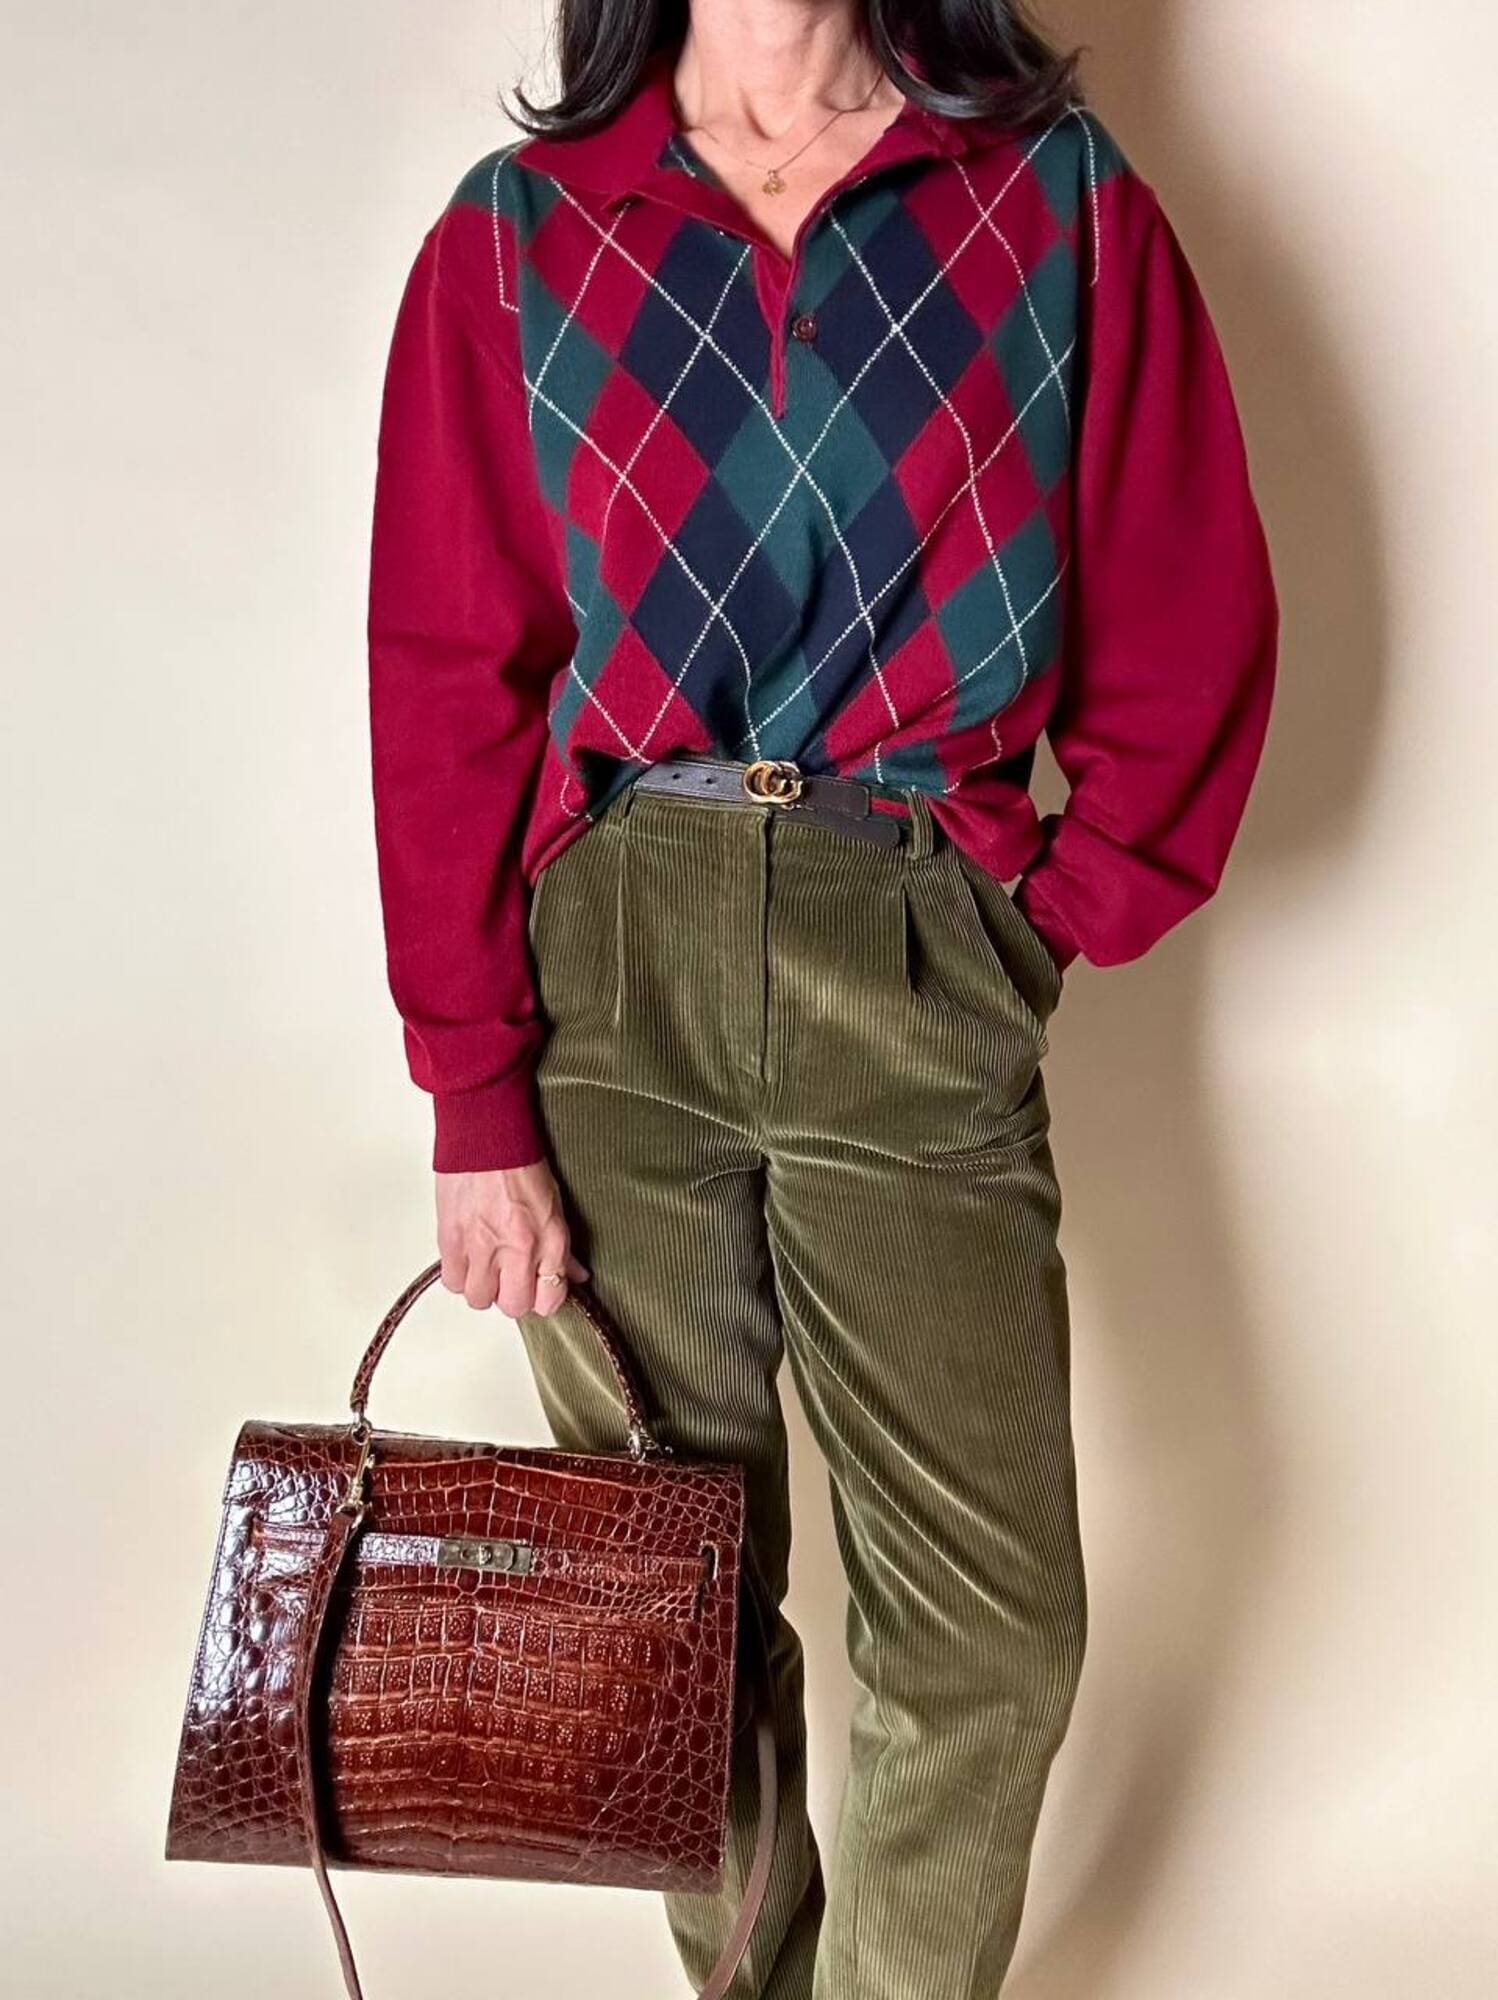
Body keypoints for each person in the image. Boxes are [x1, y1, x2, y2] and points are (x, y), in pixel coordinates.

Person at [365, 0, 1278, 1990]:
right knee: (664, 1607)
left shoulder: (1051, 202)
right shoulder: (522, 230)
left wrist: (1038, 917)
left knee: (988, 1628)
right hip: (608, 964)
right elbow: (445, 670)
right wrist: (474, 1090)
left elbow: (1185, 594)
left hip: (911, 931)